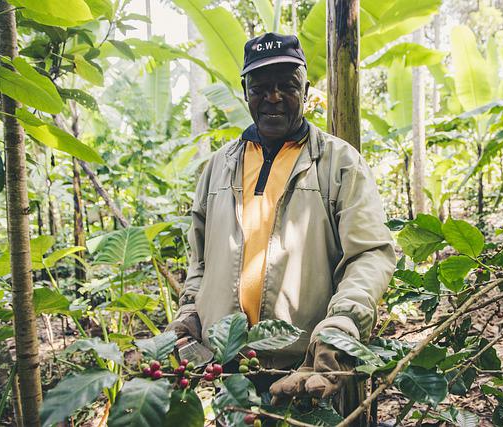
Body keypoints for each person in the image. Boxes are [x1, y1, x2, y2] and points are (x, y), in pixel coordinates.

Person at [167, 32, 395, 417]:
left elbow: (370, 253)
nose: (273, 97)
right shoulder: (218, 167)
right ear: (245, 92)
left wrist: (340, 327)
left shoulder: (339, 163)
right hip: (233, 368)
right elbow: (201, 262)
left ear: (305, 90)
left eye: (286, 86)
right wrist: (189, 314)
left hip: (310, 365)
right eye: (261, 87)